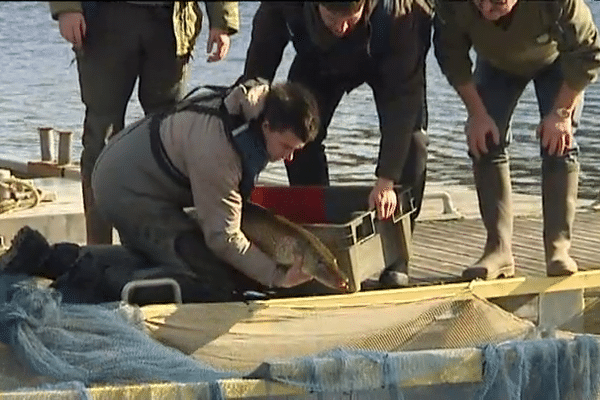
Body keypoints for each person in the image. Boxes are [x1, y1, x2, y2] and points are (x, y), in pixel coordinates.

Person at [0, 80, 321, 304]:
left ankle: (47, 255)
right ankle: (83, 277)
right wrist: (276, 277)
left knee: (155, 253)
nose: (289, 157)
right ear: (267, 126)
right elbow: (223, 239)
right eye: (286, 147)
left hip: (134, 171)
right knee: (210, 279)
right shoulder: (221, 152)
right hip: (126, 188)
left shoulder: (250, 109)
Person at [238, 0, 433, 287]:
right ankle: (316, 244)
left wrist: (386, 179)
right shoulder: (283, 6)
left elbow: (403, 104)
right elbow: (259, 65)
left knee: (413, 143)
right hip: (318, 58)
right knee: (297, 134)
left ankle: (396, 259)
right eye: (333, 18)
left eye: (349, 19)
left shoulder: (401, 13)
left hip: (388, 54)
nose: (342, 27)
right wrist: (252, 102)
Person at [433, 0, 600, 279]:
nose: (487, 10)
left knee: (559, 143)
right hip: (496, 63)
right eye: (480, 2)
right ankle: (498, 250)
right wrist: (477, 114)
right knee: (484, 140)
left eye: (497, 2)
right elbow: (451, 56)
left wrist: (561, 114)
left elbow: (587, 52)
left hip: (557, 61)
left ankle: (558, 249)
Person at [49, 1, 239, 245]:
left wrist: (222, 21)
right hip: (106, 19)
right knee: (101, 136)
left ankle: (164, 245)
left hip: (170, 22)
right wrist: (67, 8)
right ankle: (98, 247)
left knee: (170, 139)